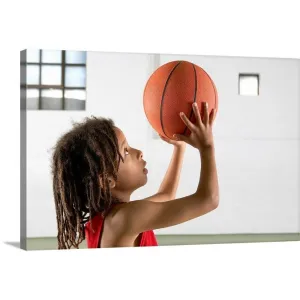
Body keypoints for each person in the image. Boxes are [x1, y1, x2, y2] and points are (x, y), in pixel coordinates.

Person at [51, 101, 219, 249]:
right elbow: (208, 200)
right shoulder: (127, 217)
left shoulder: (104, 218)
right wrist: (207, 147)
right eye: (125, 151)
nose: (139, 152)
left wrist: (179, 148)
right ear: (107, 180)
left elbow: (166, 195)